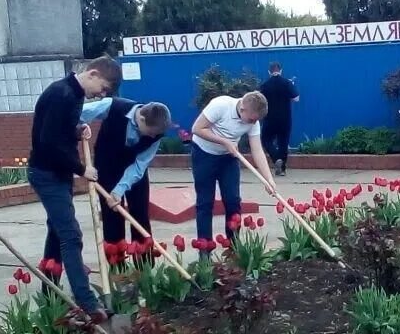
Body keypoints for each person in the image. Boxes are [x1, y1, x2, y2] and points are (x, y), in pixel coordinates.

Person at [27, 55, 122, 318]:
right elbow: (48, 143)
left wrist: (77, 129)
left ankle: (49, 294)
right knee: (71, 236)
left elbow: (60, 130)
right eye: (102, 88)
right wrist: (82, 169)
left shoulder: (74, 94)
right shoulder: (62, 94)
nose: (100, 94)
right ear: (92, 74)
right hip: (46, 173)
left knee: (58, 232)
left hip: (58, 173)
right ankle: (88, 304)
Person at [190, 91, 278, 248]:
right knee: (205, 203)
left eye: (256, 120)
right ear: (243, 108)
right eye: (251, 119)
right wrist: (224, 141)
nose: (253, 123)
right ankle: (205, 251)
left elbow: (257, 150)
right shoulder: (220, 105)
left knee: (233, 201)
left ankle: (234, 247)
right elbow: (197, 128)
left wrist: (268, 179)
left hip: (228, 159)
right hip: (203, 155)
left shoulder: (253, 122)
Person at [80, 97, 171, 243]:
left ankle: (143, 263)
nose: (153, 137)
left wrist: (119, 189)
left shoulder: (155, 135)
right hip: (106, 168)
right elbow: (77, 113)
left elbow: (139, 165)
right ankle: (117, 264)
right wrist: (80, 126)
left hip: (134, 171)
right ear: (141, 118)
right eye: (151, 132)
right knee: (112, 216)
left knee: (140, 215)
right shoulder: (113, 106)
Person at [258, 62, 299, 176]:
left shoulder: (265, 85)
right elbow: (296, 98)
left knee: (266, 139)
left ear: (269, 72)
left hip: (269, 118)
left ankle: (276, 159)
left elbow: (259, 100)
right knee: (283, 142)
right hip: (285, 118)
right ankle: (282, 169)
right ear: (281, 71)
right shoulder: (287, 83)